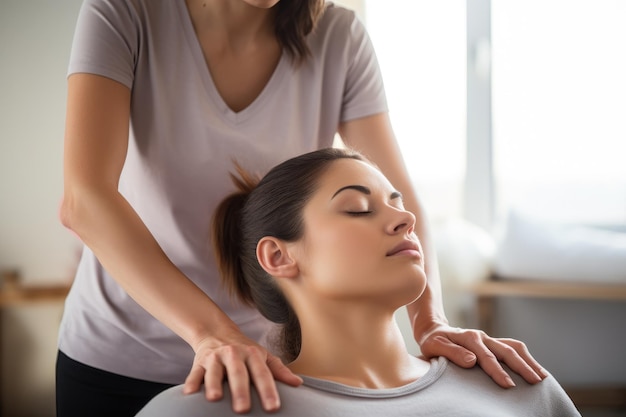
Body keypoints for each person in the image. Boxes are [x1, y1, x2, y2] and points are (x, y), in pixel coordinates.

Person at [57, 1, 547, 416]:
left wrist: (429, 322)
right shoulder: (126, 11)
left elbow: (395, 191)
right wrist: (213, 335)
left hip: (269, 365)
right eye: (354, 210)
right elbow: (85, 199)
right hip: (118, 354)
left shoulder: (338, 36)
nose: (400, 220)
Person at [136, 148, 581, 416]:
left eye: (398, 204)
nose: (406, 219)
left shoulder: (516, 384)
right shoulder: (205, 410)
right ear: (278, 255)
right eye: (357, 208)